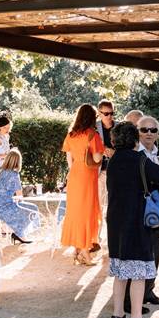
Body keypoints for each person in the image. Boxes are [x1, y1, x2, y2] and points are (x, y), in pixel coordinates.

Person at [107, 122, 159, 318]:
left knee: (120, 271)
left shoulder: (113, 161)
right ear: (135, 140)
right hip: (136, 221)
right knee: (138, 273)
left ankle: (118, 315)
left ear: (115, 140)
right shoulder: (140, 160)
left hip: (116, 222)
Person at [61, 104, 105, 266]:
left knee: (76, 212)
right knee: (87, 212)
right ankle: (85, 252)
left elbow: (69, 161)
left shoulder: (71, 135)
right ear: (92, 118)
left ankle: (77, 250)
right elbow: (97, 157)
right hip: (88, 176)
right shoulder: (93, 135)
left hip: (75, 176)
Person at [134, 115, 159, 306]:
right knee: (141, 255)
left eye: (153, 130)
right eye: (144, 130)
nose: (149, 134)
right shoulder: (135, 154)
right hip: (141, 210)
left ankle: (149, 291)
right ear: (138, 132)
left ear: (158, 133)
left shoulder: (156, 153)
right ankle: (132, 299)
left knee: (155, 252)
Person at [0, 148, 40, 244]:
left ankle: (17, 232)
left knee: (22, 209)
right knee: (33, 209)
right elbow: (19, 196)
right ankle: (19, 233)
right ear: (18, 162)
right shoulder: (14, 175)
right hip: (4, 208)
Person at [96, 100, 117, 220]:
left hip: (117, 171)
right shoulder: (94, 127)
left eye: (111, 113)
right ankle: (97, 236)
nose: (109, 116)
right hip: (101, 170)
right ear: (99, 113)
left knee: (115, 205)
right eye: (106, 114)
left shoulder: (119, 127)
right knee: (99, 204)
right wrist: (101, 149)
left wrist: (115, 153)